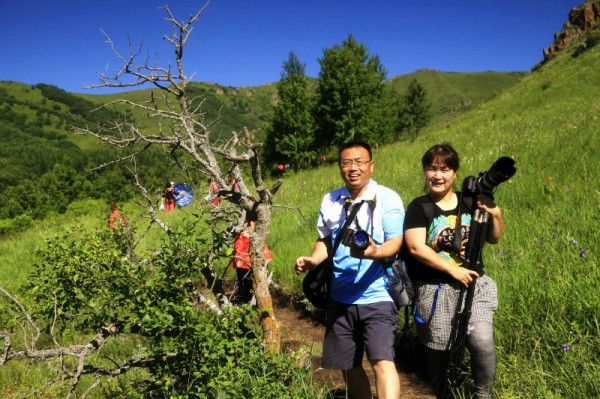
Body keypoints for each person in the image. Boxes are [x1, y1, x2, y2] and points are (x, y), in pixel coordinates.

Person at [295, 141, 404, 399]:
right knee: (347, 364)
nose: (352, 168)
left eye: (359, 162)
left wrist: (375, 252)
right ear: (340, 167)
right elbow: (325, 240)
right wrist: (314, 259)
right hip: (340, 296)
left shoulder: (387, 198)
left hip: (378, 294)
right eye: (346, 162)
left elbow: (395, 243)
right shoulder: (331, 199)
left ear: (371, 165)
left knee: (382, 361)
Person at [403, 144, 504, 399]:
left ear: (455, 173)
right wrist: (452, 269)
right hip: (434, 289)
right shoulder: (419, 207)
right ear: (425, 172)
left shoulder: (470, 201)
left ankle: (483, 394)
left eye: (445, 169)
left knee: (481, 340)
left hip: (473, 284)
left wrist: (496, 214)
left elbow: (493, 239)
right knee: (439, 355)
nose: (438, 175)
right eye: (432, 168)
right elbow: (415, 247)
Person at [230, 218, 272, 304]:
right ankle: (244, 300)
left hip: (253, 259)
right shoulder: (241, 235)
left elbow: (262, 249)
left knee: (252, 282)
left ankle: (250, 300)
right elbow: (239, 249)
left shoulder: (255, 230)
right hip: (244, 260)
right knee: (243, 282)